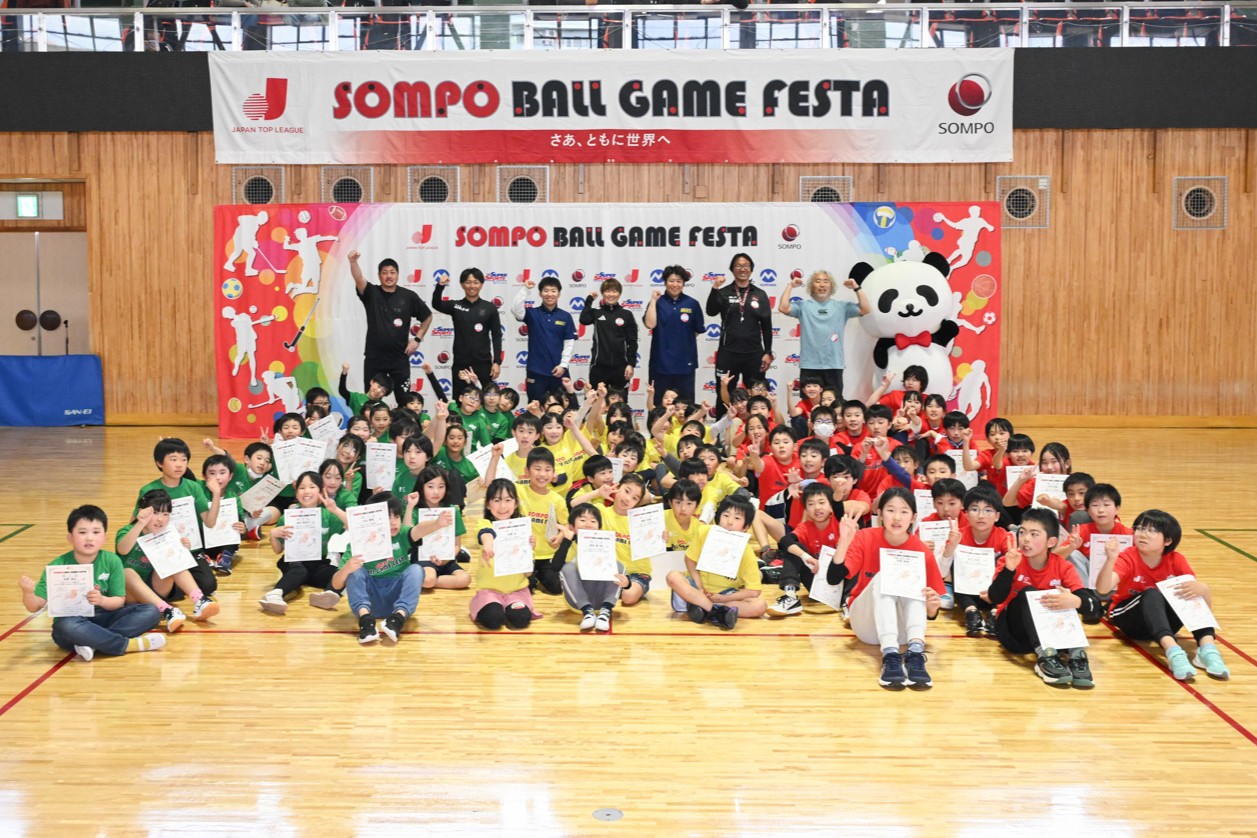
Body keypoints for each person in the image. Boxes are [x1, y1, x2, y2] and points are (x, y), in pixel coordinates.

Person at [825, 488, 945, 689]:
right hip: (866, 625)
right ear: (880, 514)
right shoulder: (864, 537)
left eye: (904, 511)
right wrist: (844, 541)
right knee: (886, 574)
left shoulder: (921, 550)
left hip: (903, 633)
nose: (897, 517)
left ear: (913, 517)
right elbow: (833, 578)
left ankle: (915, 653)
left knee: (911, 577)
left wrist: (932, 609)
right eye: (890, 510)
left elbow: (931, 613)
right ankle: (890, 655)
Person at [1096, 510, 1230, 681]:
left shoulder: (1177, 560)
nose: (1143, 534)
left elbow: (1199, 609)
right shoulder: (1128, 556)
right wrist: (1110, 559)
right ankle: (1173, 652)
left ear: (1167, 540)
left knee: (1190, 592)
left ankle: (1207, 650)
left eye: (1151, 531)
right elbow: (1103, 589)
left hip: (1162, 624)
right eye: (1140, 528)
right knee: (1152, 594)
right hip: (1129, 619)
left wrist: (1204, 590)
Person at [18, 505, 164, 662]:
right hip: (74, 621)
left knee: (151, 611)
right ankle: (125, 644)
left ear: (104, 537)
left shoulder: (112, 561)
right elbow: (35, 606)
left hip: (106, 616)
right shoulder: (58, 565)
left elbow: (118, 601)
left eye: (96, 532)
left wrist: (102, 600)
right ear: (70, 537)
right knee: (65, 626)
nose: (89, 538)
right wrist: (28, 592)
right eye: (82, 532)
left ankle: (92, 642)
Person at [987, 508, 1100, 688]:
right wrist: (1008, 570)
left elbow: (1095, 607)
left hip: (1052, 634)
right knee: (1028, 592)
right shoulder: (1011, 560)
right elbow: (995, 597)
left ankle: (1077, 656)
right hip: (1016, 634)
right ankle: (1045, 658)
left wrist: (1076, 601)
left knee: (1067, 596)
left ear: (1051, 541)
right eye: (1022, 532)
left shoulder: (1062, 566)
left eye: (1034, 534)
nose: (1025, 539)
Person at [331, 491, 447, 645]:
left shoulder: (402, 535)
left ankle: (396, 620)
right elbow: (335, 584)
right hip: (370, 601)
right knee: (354, 570)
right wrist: (346, 568)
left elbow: (418, 530)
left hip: (395, 600)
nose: (393, 523)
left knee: (417, 569)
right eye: (387, 518)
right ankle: (366, 622)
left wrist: (437, 523)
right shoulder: (358, 544)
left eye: (396, 517)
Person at [116, 489, 222, 623]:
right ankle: (167, 611)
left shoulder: (167, 534)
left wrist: (183, 550)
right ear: (142, 512)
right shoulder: (127, 531)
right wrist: (140, 523)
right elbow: (123, 550)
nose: (161, 519)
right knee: (127, 573)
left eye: (166, 514)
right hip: (130, 594)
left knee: (173, 560)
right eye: (155, 513)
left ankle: (200, 600)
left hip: (156, 589)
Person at [666, 495, 768, 629]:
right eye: (726, 515)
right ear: (718, 518)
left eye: (737, 518)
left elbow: (754, 591)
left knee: (760, 606)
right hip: (695, 588)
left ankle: (703, 607)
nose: (729, 522)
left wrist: (723, 598)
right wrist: (699, 586)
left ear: (746, 527)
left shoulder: (746, 551)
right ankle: (716, 612)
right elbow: (689, 559)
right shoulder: (704, 532)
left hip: (724, 594)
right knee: (673, 576)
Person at [259, 472, 348, 615]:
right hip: (294, 562)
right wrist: (273, 535)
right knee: (299, 571)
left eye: (312, 487)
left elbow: (351, 525)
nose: (306, 491)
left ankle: (326, 595)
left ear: (321, 492)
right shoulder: (288, 517)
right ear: (296, 492)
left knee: (339, 574)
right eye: (302, 487)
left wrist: (335, 509)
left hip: (318, 563)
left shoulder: (327, 515)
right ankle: (275, 594)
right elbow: (278, 550)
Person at [348, 250, 432, 398]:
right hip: (375, 358)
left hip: (399, 358)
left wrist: (417, 339)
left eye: (392, 272)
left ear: (398, 275)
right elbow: (359, 278)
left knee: (404, 400)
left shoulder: (408, 296)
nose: (389, 276)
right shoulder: (371, 293)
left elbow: (427, 316)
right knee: (371, 400)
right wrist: (353, 262)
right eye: (384, 272)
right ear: (379, 275)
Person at [778, 269, 869, 396]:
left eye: (826, 281)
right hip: (809, 365)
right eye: (818, 281)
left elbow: (865, 309)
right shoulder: (803, 306)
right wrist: (790, 286)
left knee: (834, 404)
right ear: (811, 286)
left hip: (833, 365)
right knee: (809, 405)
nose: (822, 284)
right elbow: (783, 308)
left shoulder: (841, 307)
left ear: (831, 286)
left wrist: (856, 288)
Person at [706, 253, 773, 416]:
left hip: (754, 353)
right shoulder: (724, 292)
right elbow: (711, 311)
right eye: (738, 266)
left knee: (756, 395)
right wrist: (714, 288)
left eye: (746, 266)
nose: (742, 269)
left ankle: (756, 426)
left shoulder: (760, 294)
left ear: (751, 270)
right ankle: (723, 429)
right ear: (732, 269)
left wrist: (767, 352)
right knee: (724, 393)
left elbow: (766, 325)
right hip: (728, 353)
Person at [472, 479, 541, 631]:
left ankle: (509, 606)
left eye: (508, 500)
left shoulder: (522, 531)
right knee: (492, 619)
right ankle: (494, 606)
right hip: (489, 591)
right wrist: (488, 544)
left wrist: (528, 550)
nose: (502, 506)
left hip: (517, 591)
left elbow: (528, 573)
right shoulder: (484, 523)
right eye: (497, 500)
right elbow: (485, 533)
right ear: (488, 504)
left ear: (516, 503)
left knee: (520, 620)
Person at [554, 504, 630, 632]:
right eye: (583, 520)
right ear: (572, 526)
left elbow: (617, 572)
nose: (588, 524)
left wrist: (627, 584)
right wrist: (566, 541)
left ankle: (605, 611)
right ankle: (587, 612)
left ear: (599, 527)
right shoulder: (569, 544)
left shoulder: (604, 545)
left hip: (602, 600)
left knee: (618, 565)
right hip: (577, 603)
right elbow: (555, 567)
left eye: (593, 521)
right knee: (567, 568)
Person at [431, 267, 503, 401]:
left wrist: (497, 362)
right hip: (461, 364)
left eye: (476, 282)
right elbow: (436, 304)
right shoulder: (456, 306)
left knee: (484, 402)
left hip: (483, 364)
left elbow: (497, 336)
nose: (472, 286)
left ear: (481, 284)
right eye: (468, 282)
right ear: (462, 284)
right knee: (460, 402)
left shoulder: (490, 308)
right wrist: (440, 286)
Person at [643, 265, 705, 404]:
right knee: (659, 404)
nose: (675, 284)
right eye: (671, 281)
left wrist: (682, 341)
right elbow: (650, 324)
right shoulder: (657, 303)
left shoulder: (692, 304)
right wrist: (653, 301)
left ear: (684, 283)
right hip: (660, 364)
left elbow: (697, 330)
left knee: (686, 405)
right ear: (665, 282)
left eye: (679, 281)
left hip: (685, 364)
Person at [512, 273, 577, 404]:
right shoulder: (532, 313)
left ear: (559, 294)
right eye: (546, 291)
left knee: (561, 408)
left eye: (553, 291)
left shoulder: (565, 316)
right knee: (535, 407)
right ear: (540, 293)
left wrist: (563, 365)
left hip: (558, 371)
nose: (549, 294)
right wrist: (525, 289)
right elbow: (515, 309)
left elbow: (569, 343)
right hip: (536, 370)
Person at [579, 277, 639, 392]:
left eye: (614, 291)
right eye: (607, 291)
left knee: (620, 402)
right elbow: (584, 319)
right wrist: (589, 300)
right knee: (596, 401)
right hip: (599, 367)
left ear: (619, 294)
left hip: (621, 368)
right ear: (603, 293)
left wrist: (630, 364)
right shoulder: (597, 312)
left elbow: (632, 342)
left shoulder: (627, 314)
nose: (611, 294)